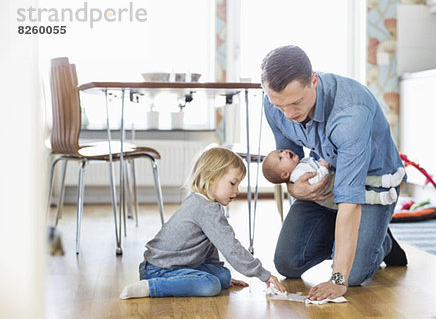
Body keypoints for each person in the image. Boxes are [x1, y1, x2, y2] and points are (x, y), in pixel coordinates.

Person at [261, 45, 408, 302]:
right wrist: (294, 188)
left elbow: (350, 200)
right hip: (325, 177)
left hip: (370, 186)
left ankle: (379, 241)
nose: (289, 114)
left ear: (314, 81)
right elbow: (289, 161)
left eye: (296, 103)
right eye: (279, 105)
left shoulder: (350, 114)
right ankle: (358, 236)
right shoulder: (274, 103)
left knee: (352, 276)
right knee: (287, 263)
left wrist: (337, 278)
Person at [119, 147, 286, 299]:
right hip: (160, 269)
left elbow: (210, 243)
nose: (237, 190)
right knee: (210, 285)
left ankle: (192, 279)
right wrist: (263, 274)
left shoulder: (205, 203)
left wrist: (216, 270)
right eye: (233, 183)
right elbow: (231, 248)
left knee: (223, 276)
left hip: (175, 265)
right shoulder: (206, 209)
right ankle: (152, 287)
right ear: (211, 179)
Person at [262, 149, 405, 209]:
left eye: (281, 151)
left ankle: (389, 180)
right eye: (281, 157)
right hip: (331, 192)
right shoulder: (297, 175)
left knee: (363, 178)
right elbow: (316, 180)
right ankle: (382, 198)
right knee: (358, 195)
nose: (285, 152)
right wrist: (323, 166)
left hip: (333, 179)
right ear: (285, 175)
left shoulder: (300, 164)